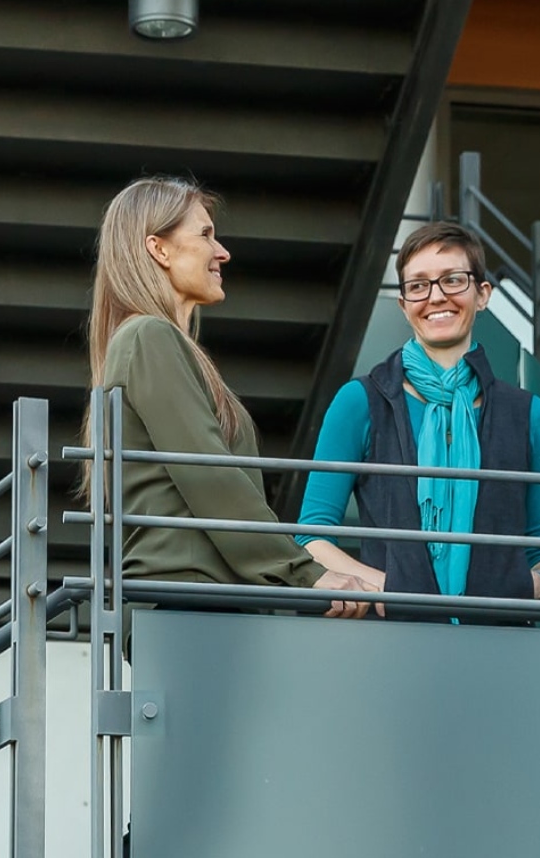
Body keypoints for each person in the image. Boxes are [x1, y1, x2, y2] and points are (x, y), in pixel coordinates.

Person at [85, 175, 368, 607]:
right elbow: (208, 473)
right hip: (187, 601)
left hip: (203, 600)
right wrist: (303, 573)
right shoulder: (147, 336)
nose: (223, 252)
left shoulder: (159, 343)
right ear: (158, 248)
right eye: (205, 234)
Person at [296, 222, 540, 613]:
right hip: (392, 638)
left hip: (499, 639)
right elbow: (314, 536)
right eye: (418, 285)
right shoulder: (359, 401)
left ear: (483, 294)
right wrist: (391, 589)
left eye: (453, 280)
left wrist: (527, 587)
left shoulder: (532, 415)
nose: (436, 297)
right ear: (404, 305)